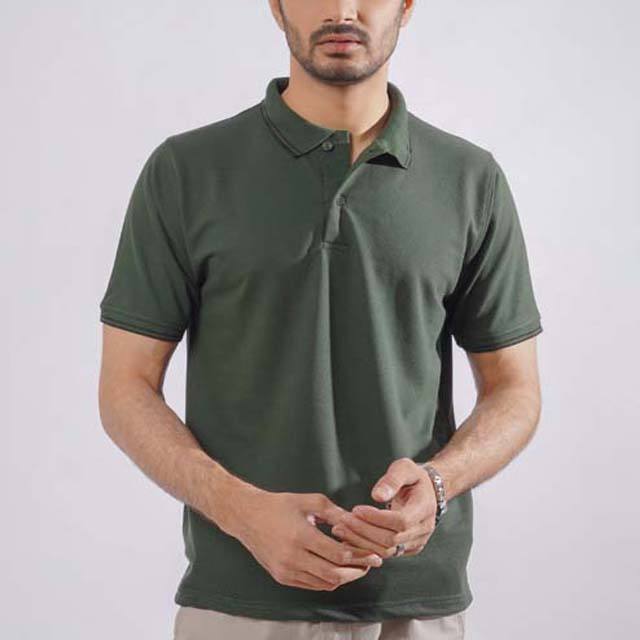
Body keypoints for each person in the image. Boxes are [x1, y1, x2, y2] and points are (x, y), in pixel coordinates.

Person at [98, 1, 543, 638]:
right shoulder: (186, 171)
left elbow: (515, 390)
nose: (341, 10)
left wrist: (440, 483)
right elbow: (125, 388)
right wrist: (241, 510)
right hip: (243, 601)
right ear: (276, 5)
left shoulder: (471, 179)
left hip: (416, 602)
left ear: (406, 6)